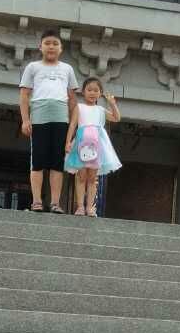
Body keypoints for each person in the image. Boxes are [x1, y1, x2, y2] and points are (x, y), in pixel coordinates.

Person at [18, 30, 78, 213]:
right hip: (39, 117)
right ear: (40, 47)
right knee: (37, 161)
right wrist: (25, 120)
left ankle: (55, 203)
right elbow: (24, 95)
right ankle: (36, 201)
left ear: (61, 48)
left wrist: (73, 127)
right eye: (47, 43)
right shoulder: (32, 67)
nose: (51, 47)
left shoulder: (67, 69)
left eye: (55, 43)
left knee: (57, 163)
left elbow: (72, 100)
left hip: (61, 118)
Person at [64, 77, 121, 216]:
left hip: (97, 146)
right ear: (83, 92)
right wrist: (68, 142)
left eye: (96, 90)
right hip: (81, 143)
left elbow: (116, 118)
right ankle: (80, 207)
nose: (92, 93)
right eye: (89, 90)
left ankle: (90, 207)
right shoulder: (79, 107)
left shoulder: (101, 110)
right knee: (81, 176)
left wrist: (112, 104)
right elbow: (73, 124)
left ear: (100, 93)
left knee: (92, 178)